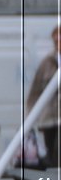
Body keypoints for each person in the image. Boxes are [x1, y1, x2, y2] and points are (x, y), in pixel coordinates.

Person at [26, 23, 60, 169]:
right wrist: (30, 116)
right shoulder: (47, 63)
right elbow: (35, 91)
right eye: (56, 40)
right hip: (49, 118)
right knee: (51, 152)